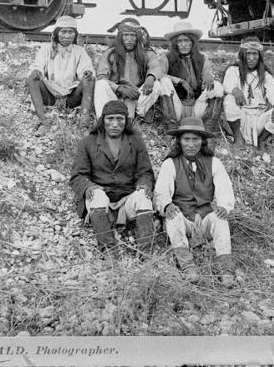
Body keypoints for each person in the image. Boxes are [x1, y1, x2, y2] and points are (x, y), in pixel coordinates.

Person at [154, 117, 236, 285]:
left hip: (204, 218)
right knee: (173, 217)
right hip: (183, 218)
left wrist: (223, 206)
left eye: (195, 139)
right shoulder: (170, 164)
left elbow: (224, 187)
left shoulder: (214, 163)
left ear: (202, 141)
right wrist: (167, 205)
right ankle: (188, 266)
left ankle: (226, 270)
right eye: (186, 139)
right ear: (179, 141)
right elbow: (161, 192)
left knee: (220, 220)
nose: (191, 144)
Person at [69, 100, 155, 255]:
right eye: (110, 119)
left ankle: (145, 252)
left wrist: (144, 184)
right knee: (98, 196)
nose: (115, 124)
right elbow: (77, 175)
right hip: (102, 203)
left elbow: (146, 172)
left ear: (126, 121)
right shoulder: (88, 142)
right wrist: (88, 186)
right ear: (103, 120)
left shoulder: (136, 142)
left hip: (126, 201)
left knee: (143, 197)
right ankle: (108, 250)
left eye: (119, 119)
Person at [94, 18, 176, 129]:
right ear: (120, 37)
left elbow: (155, 67)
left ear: (138, 37)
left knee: (156, 83)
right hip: (116, 96)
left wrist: (150, 77)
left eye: (133, 35)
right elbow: (101, 77)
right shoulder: (110, 53)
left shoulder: (147, 53)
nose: (129, 39)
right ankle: (104, 119)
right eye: (125, 35)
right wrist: (119, 88)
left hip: (138, 96)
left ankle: (138, 115)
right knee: (100, 84)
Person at [25, 15, 95, 131]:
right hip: (50, 95)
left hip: (71, 97)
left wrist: (87, 74)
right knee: (32, 78)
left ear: (75, 34)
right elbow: (38, 65)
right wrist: (37, 72)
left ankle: (84, 122)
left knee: (89, 79)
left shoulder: (79, 51)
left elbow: (85, 69)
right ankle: (43, 121)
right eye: (63, 32)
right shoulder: (46, 49)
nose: (67, 36)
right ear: (57, 33)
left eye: (70, 32)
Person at [222, 36, 274, 148]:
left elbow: (273, 91)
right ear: (242, 55)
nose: (251, 58)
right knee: (229, 99)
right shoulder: (233, 70)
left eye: (254, 54)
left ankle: (261, 140)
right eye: (248, 54)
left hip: (258, 118)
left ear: (259, 56)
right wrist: (235, 90)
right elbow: (227, 83)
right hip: (240, 117)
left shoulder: (265, 74)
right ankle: (238, 137)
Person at [160, 20, 223, 133]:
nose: (183, 44)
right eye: (179, 41)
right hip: (176, 107)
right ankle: (171, 126)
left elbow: (206, 76)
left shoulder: (202, 59)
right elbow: (160, 75)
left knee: (217, 85)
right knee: (164, 81)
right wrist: (180, 81)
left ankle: (208, 128)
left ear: (192, 43)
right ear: (175, 44)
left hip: (196, 107)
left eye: (186, 40)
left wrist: (209, 76)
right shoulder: (166, 58)